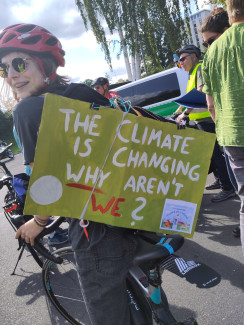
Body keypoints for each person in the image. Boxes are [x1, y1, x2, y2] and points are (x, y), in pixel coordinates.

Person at [0, 23, 173, 324]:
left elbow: (46, 182)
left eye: (19, 63)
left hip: (95, 229)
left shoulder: (27, 111)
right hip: (142, 207)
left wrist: (39, 223)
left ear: (44, 63)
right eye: (3, 69)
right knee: (144, 265)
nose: (11, 75)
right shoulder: (82, 92)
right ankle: (159, 307)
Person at [202, 0, 244, 255]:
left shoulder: (211, 56)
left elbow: (210, 106)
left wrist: (224, 127)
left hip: (231, 136)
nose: (208, 45)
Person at [175, 44, 236, 203]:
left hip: (208, 119)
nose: (181, 63)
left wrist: (185, 113)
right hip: (201, 120)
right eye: (179, 61)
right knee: (211, 154)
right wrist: (178, 111)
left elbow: (199, 93)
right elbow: (189, 96)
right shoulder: (191, 74)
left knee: (217, 154)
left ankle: (228, 187)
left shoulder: (200, 69)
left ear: (194, 56)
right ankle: (220, 180)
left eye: (183, 59)